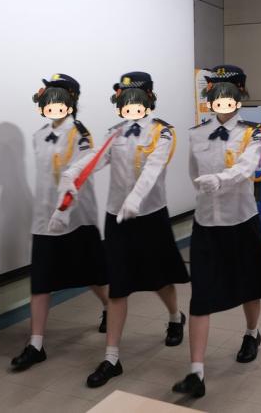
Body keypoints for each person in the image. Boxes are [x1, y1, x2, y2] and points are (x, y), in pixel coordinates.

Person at [61, 72, 190, 388]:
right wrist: (72, 172)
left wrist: (135, 199)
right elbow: (94, 159)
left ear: (148, 99)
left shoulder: (163, 132)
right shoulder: (114, 132)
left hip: (150, 216)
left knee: (160, 279)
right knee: (118, 286)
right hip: (117, 219)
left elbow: (153, 170)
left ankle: (175, 317)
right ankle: (112, 358)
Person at [172, 65, 261, 398]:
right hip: (206, 225)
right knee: (201, 295)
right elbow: (193, 173)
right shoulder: (196, 134)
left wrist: (220, 180)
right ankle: (196, 373)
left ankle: (252, 333)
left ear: (239, 95)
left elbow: (247, 168)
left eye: (227, 93)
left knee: (249, 286)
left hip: (242, 221)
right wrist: (207, 188)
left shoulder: (253, 133)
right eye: (215, 93)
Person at [10, 74, 109, 372]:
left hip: (77, 219)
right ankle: (36, 345)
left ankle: (109, 306)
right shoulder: (39, 135)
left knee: (93, 276)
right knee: (40, 283)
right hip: (44, 222)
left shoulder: (80, 135)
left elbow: (79, 178)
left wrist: (63, 210)